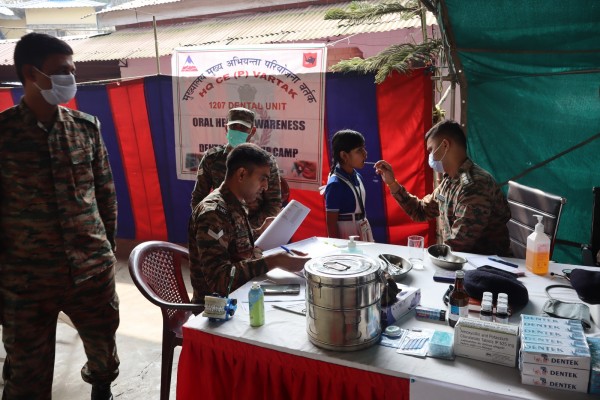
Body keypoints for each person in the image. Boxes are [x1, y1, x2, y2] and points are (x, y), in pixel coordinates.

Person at [0, 33, 119, 400]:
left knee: (104, 354)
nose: (70, 78)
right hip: (27, 280)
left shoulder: (86, 128)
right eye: (62, 70)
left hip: (91, 271)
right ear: (31, 74)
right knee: (26, 376)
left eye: (72, 70)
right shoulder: (4, 135)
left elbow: (105, 195)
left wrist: (106, 252)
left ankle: (101, 388)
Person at [188, 143, 309, 303]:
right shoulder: (213, 213)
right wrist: (274, 261)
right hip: (218, 308)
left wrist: (259, 232)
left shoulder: (236, 203)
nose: (266, 186)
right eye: (262, 179)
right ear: (242, 174)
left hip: (242, 293)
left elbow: (235, 245)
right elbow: (220, 282)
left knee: (298, 296)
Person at [375, 120, 511, 256]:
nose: (430, 156)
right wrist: (392, 183)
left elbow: (458, 245)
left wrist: (426, 258)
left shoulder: (474, 185)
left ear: (445, 145)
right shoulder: (450, 182)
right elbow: (420, 211)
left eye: (431, 150)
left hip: (486, 264)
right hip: (462, 261)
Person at [190, 107, 282, 228]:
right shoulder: (212, 158)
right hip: (219, 224)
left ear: (252, 131)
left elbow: (274, 203)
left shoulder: (266, 162)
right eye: (233, 127)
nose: (237, 131)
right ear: (226, 128)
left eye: (243, 128)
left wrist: (247, 228)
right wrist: (207, 221)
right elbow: (198, 197)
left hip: (254, 228)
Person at [324, 129, 374, 241]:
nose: (365, 153)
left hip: (363, 229)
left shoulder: (358, 176)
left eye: (364, 148)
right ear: (344, 155)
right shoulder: (335, 184)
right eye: (359, 150)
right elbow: (331, 224)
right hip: (346, 235)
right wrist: (337, 246)